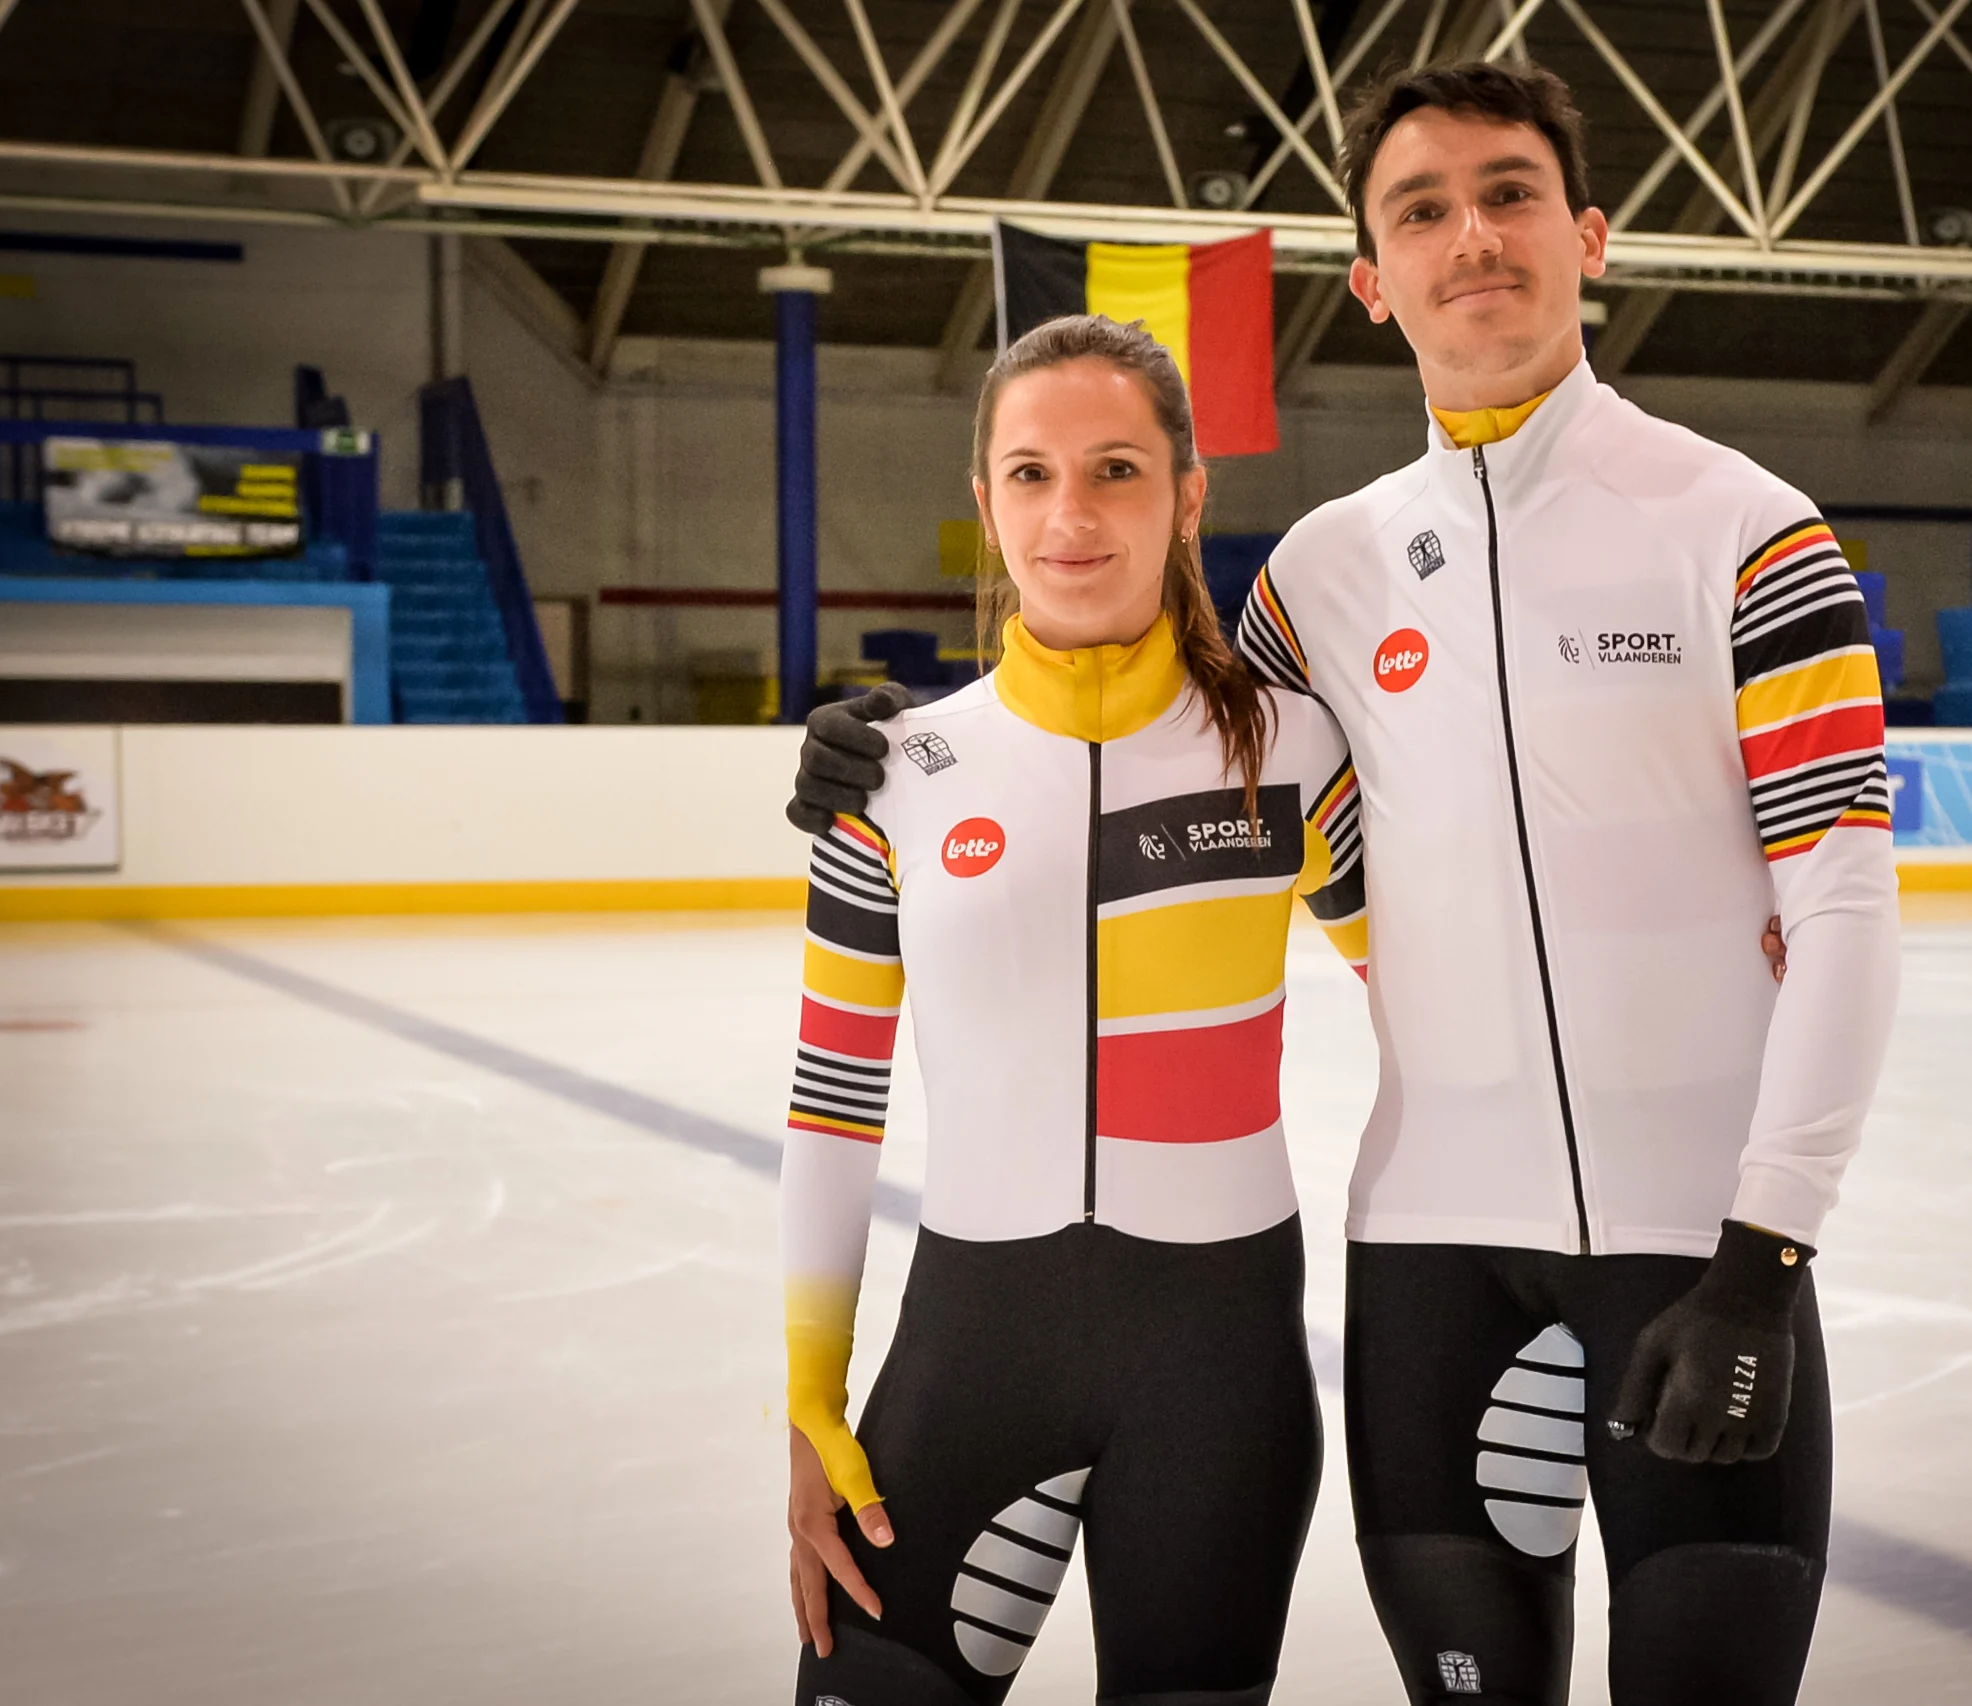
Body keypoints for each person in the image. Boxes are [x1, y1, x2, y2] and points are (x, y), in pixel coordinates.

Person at [792, 59, 1899, 1706]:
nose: (1473, 237)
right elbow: (1155, 743)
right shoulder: (1321, 575)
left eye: (1509, 193)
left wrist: (1767, 1253)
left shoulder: (1744, 529)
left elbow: (1845, 913)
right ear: (1373, 282)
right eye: (1422, 210)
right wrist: (880, 744)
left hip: (1697, 1251)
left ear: (1588, 235)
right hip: (1430, 1263)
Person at [777, 313, 1369, 1706]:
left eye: (1114, 468)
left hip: (1218, 1378)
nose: (1072, 513)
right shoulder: (896, 777)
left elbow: (1454, 998)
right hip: (969, 1361)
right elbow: (831, 1097)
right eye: (1030, 474)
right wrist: (811, 1398)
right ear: (985, 503)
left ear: (1186, 492)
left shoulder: (1292, 751)